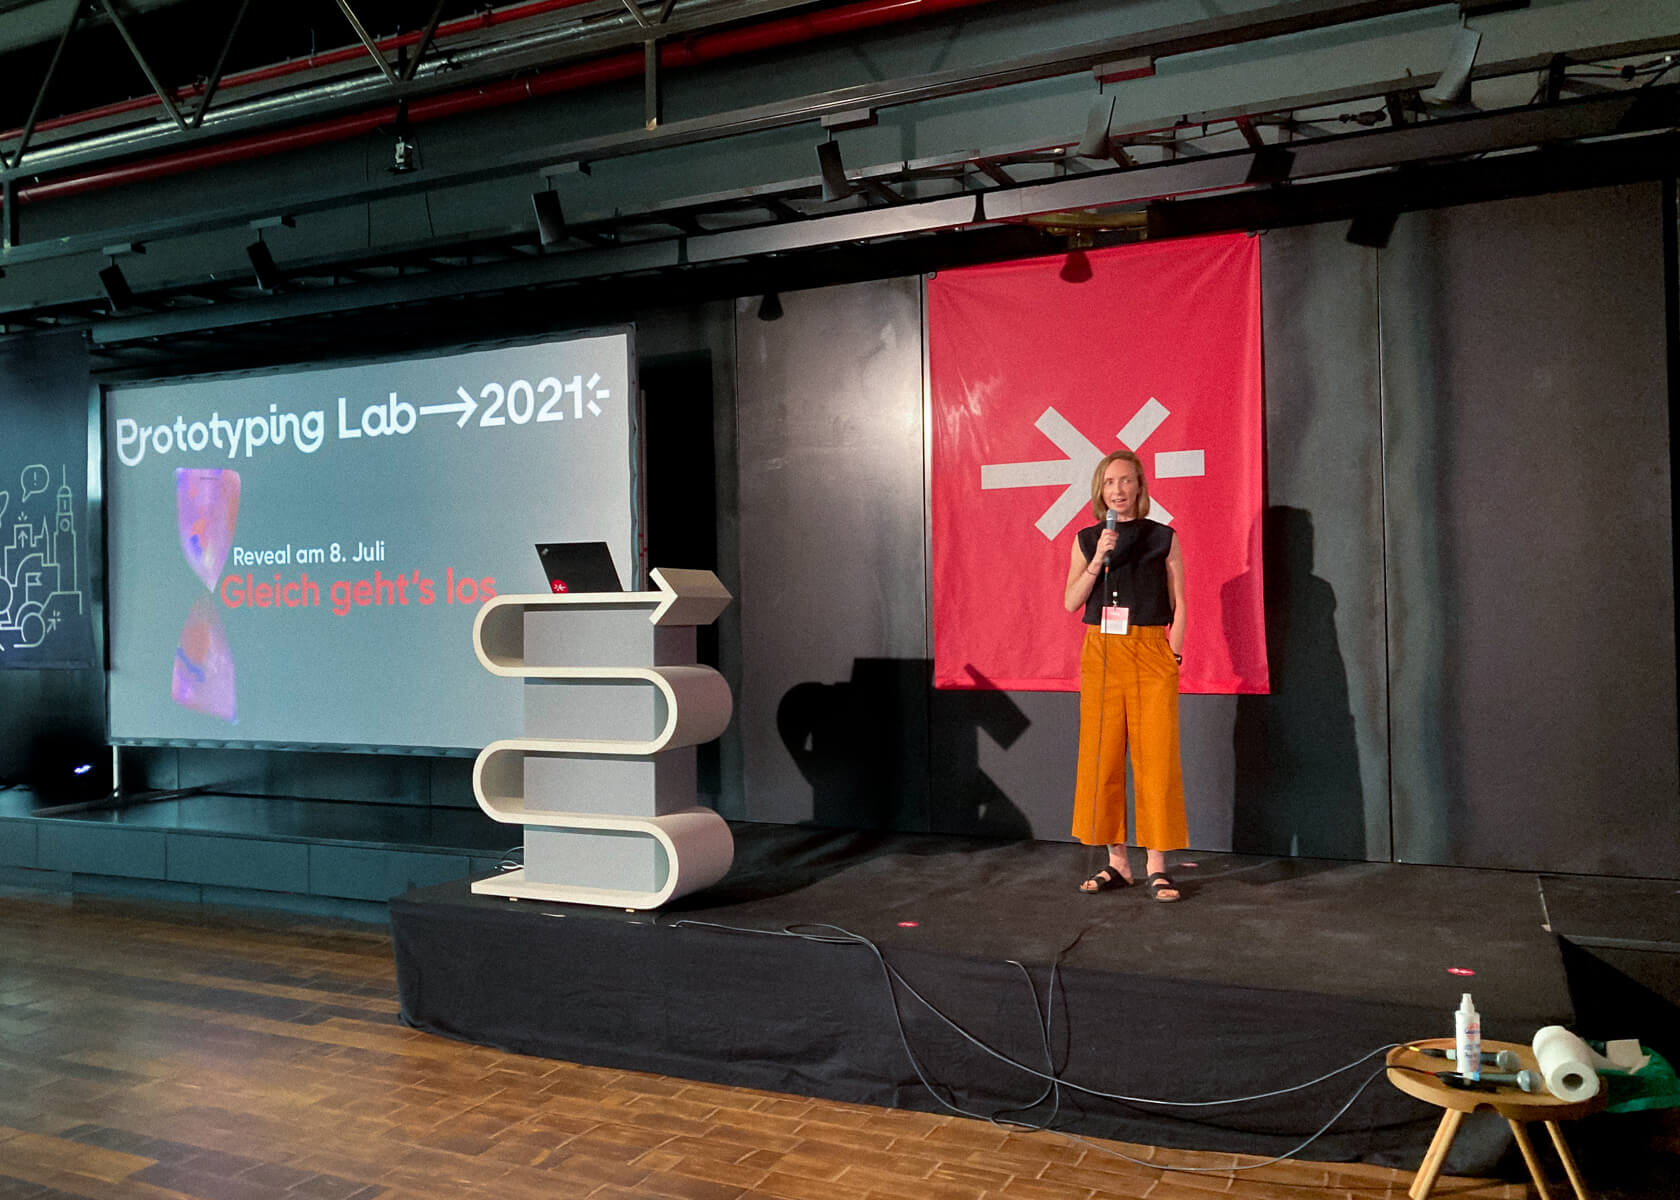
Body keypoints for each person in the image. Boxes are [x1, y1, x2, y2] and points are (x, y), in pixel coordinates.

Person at [1063, 449, 1188, 902]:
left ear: (1140, 486)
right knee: (1103, 756)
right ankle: (1118, 863)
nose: (1117, 490)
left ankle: (1157, 866)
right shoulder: (1086, 539)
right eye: (1109, 482)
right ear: (1100, 489)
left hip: (1151, 648)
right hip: (1101, 651)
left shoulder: (1163, 537)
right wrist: (1098, 559)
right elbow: (1071, 602)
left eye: (1126, 481)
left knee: (1156, 759)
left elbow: (1181, 601)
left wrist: (1174, 654)